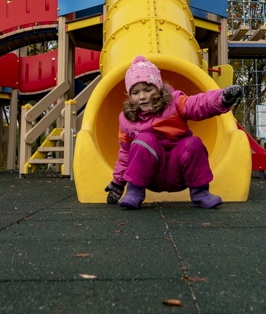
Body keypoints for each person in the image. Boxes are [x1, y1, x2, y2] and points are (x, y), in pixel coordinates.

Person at [104, 56, 243, 209]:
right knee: (144, 140)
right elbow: (125, 154)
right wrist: (117, 184)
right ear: (130, 96)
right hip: (150, 176)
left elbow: (197, 104)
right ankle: (134, 193)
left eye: (148, 90)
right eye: (135, 93)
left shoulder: (174, 102)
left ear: (158, 88)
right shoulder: (127, 120)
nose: (142, 97)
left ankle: (201, 194)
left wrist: (221, 98)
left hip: (179, 172)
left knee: (193, 143)